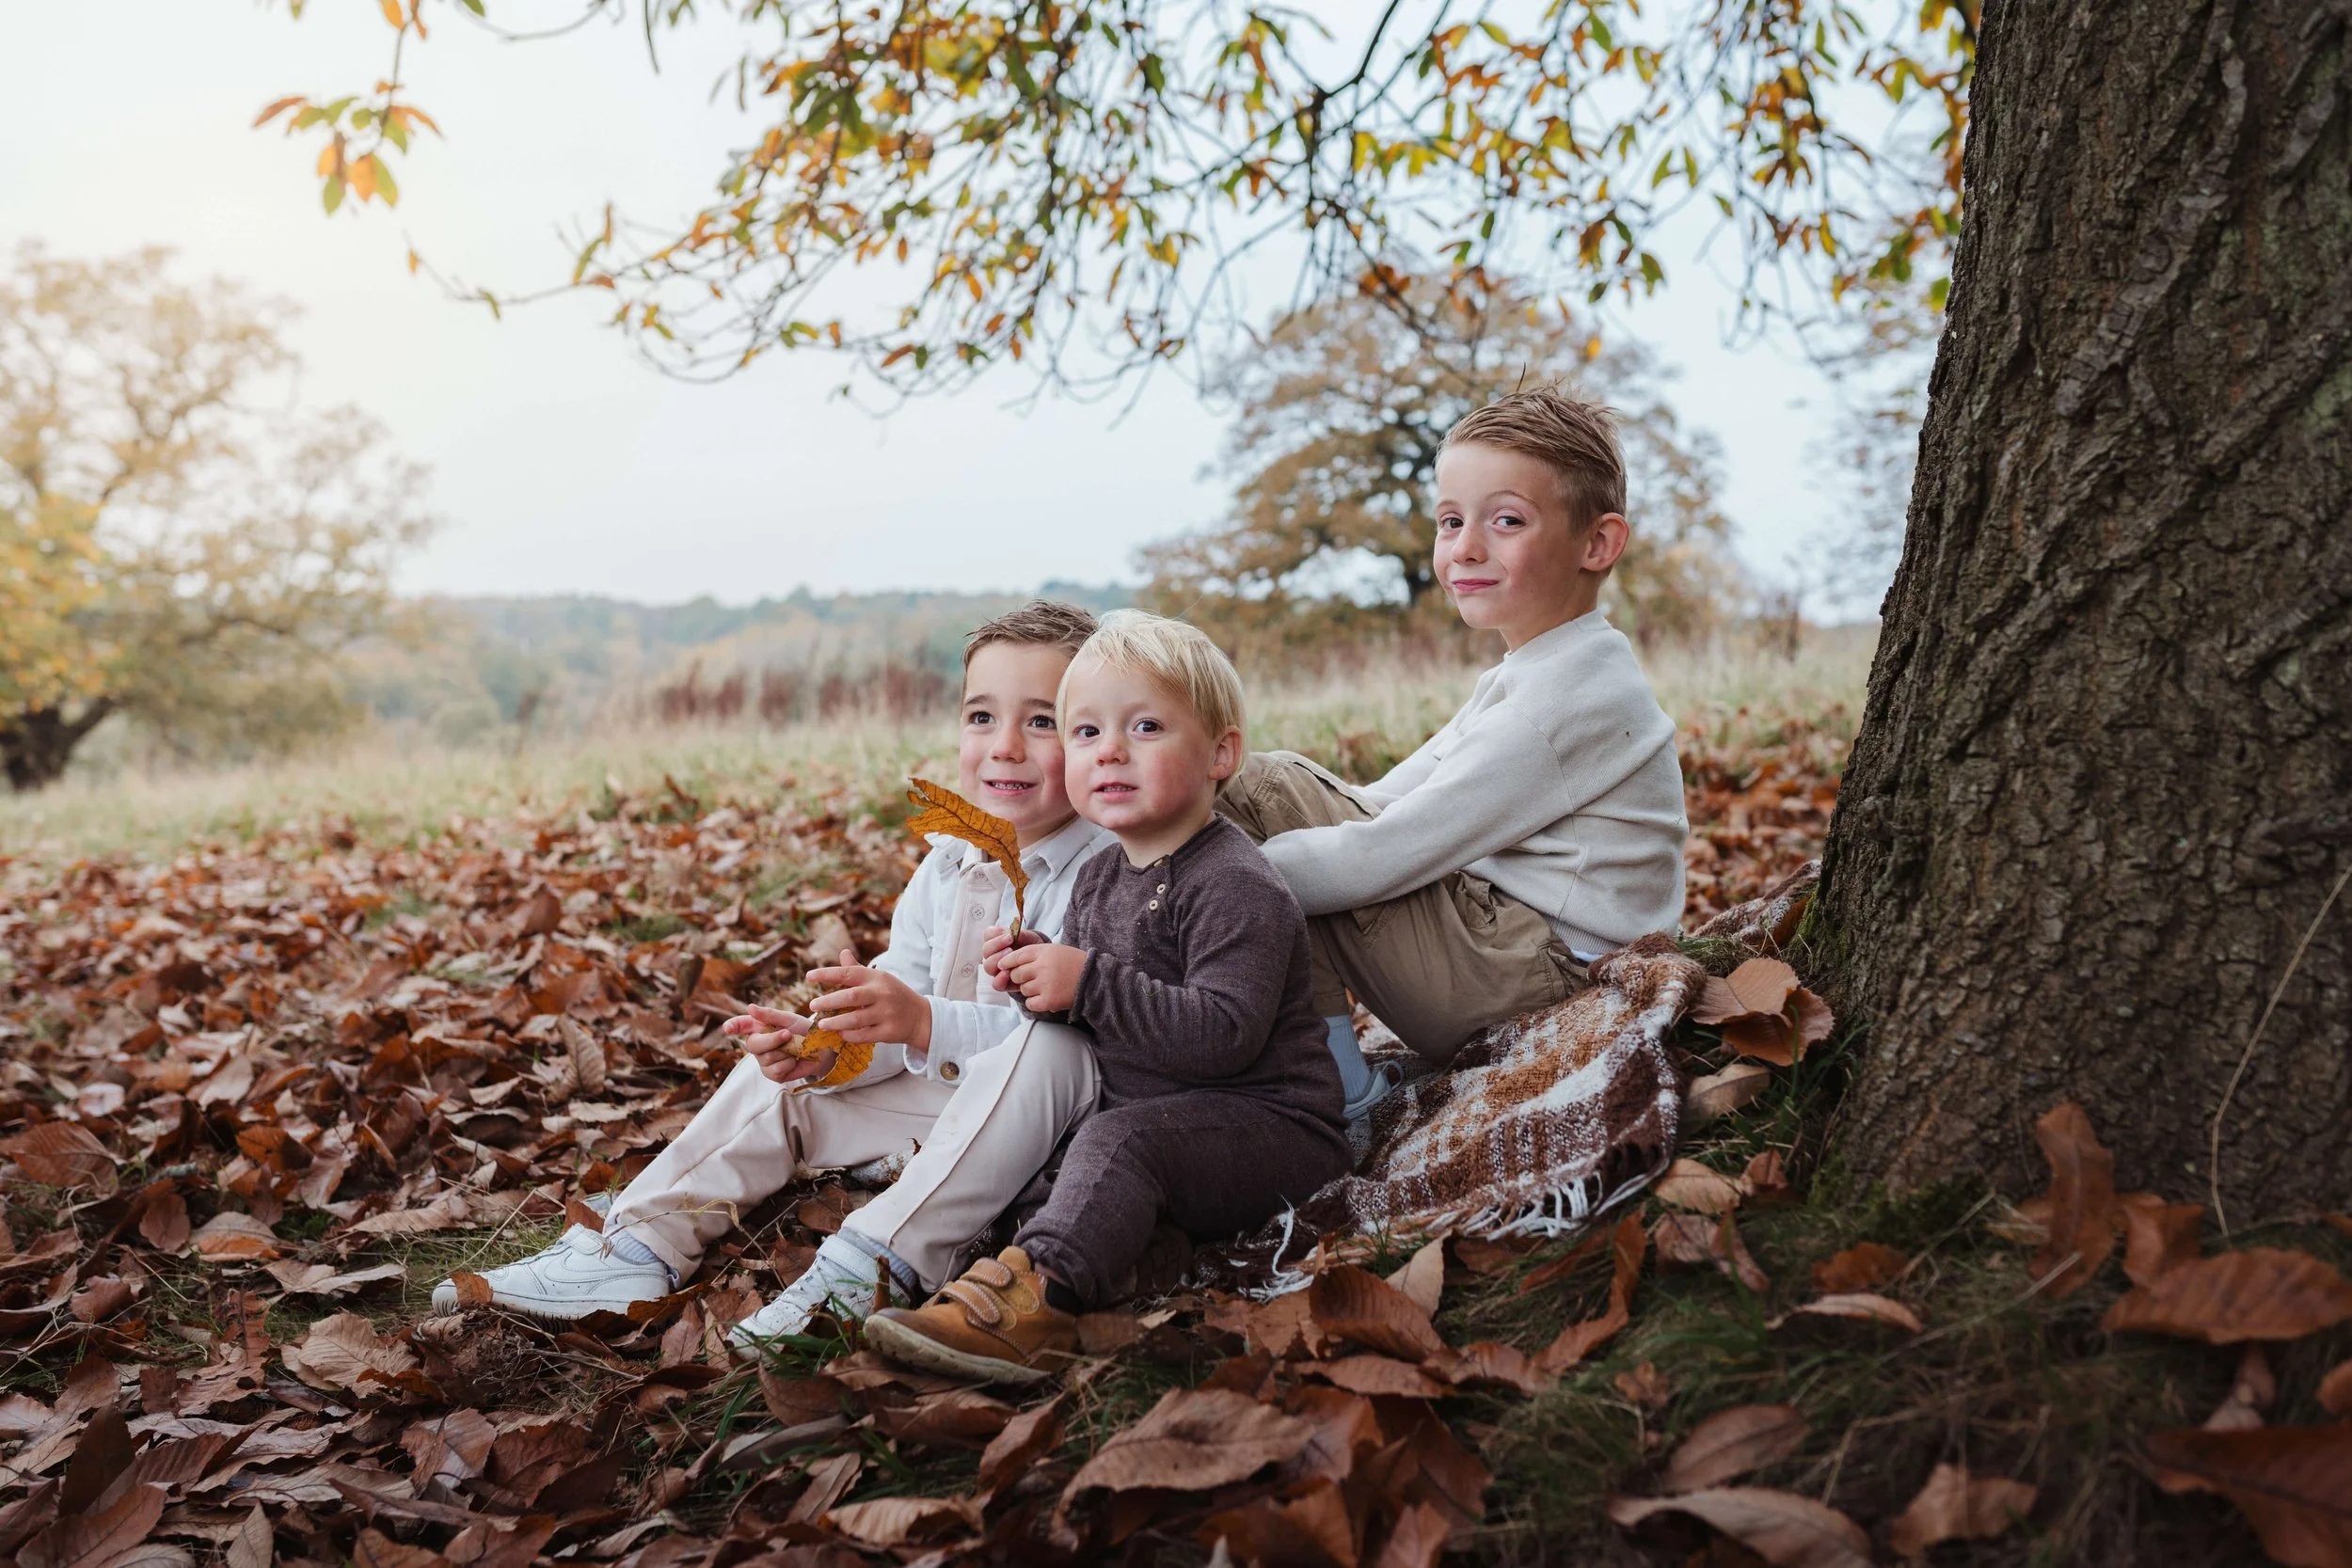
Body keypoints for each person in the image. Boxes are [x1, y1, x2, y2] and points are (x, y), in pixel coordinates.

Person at [430, 602, 1120, 1350]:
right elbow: (899, 1003)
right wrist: (836, 1048)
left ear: (1093, 737)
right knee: (786, 1081)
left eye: (1044, 722)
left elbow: (1068, 1042)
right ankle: (635, 1246)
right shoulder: (949, 861)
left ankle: (871, 1263)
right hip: (937, 1108)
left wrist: (922, 1021)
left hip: (1046, 1138)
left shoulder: (1107, 871)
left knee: (1058, 1050)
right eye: (981, 717)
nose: (1004, 747)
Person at [862, 611, 1350, 1384]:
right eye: (1085, 732)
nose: (1111, 750)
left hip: (1269, 1122)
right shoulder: (1099, 876)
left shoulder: (1236, 884)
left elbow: (1224, 1034)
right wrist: (1035, 984)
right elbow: (1090, 1024)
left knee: (1119, 1145)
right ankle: (1078, 1260)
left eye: (1146, 726)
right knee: (1064, 1149)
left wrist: (1087, 981)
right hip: (1157, 1108)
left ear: (1222, 752)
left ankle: (1039, 1307)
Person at [1216, 386, 1689, 1118]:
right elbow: (1384, 800)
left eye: (1505, 521)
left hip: (1547, 986)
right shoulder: (1537, 669)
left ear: (1597, 544)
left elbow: (1388, 849)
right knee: (1263, 789)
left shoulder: (1564, 700)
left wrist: (1212, 883)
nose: (1465, 546)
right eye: (1450, 519)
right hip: (1511, 953)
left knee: (1275, 833)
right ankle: (1320, 1073)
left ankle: (1335, 1098)